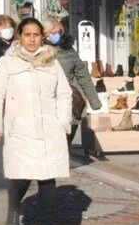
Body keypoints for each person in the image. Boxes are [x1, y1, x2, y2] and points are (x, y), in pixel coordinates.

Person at [0, 17, 72, 225]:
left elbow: (64, 93)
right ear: (20, 37)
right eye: (27, 35)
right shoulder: (7, 62)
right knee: (20, 178)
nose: (32, 39)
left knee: (47, 180)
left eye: (36, 35)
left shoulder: (51, 61)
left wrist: (62, 122)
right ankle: (13, 210)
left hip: (48, 129)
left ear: (42, 36)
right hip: (20, 128)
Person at [44, 18, 103, 146]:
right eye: (49, 34)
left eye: (55, 32)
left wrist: (94, 101)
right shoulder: (41, 51)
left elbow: (83, 76)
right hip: (48, 100)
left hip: (72, 99)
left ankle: (64, 155)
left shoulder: (69, 50)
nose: (53, 36)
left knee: (67, 136)